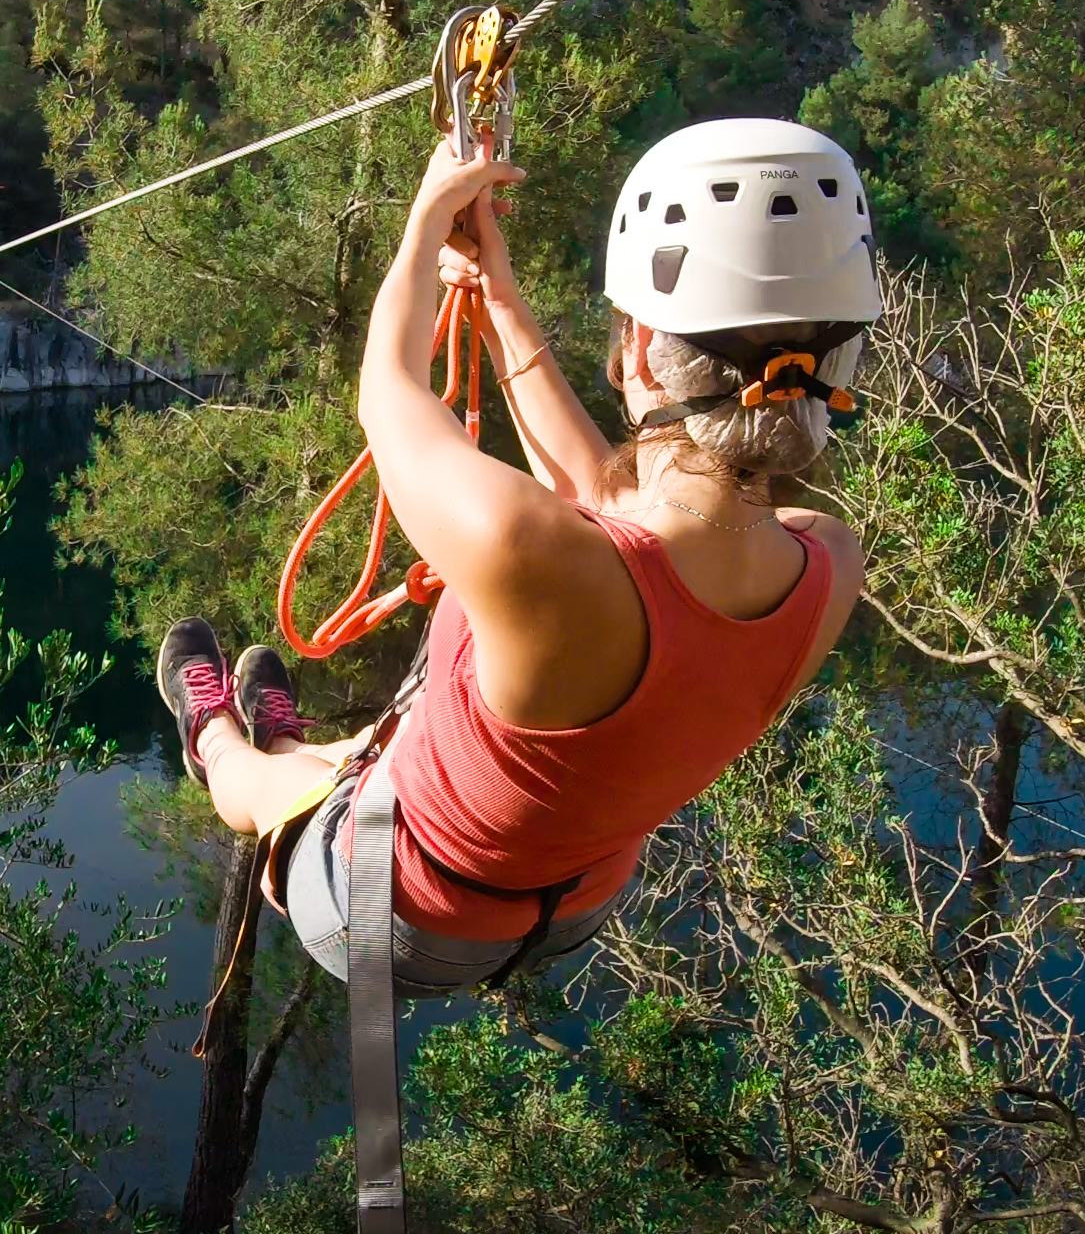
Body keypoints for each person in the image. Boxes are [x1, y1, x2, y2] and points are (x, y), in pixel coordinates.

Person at [156, 118, 875, 993]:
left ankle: (220, 734)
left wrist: (425, 222)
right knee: (355, 759)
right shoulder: (827, 563)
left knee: (265, 790)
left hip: (388, 913)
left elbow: (388, 394)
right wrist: (496, 300)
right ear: (841, 357)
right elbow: (620, 518)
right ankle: (292, 738)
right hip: (569, 905)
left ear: (640, 349)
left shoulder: (524, 545)